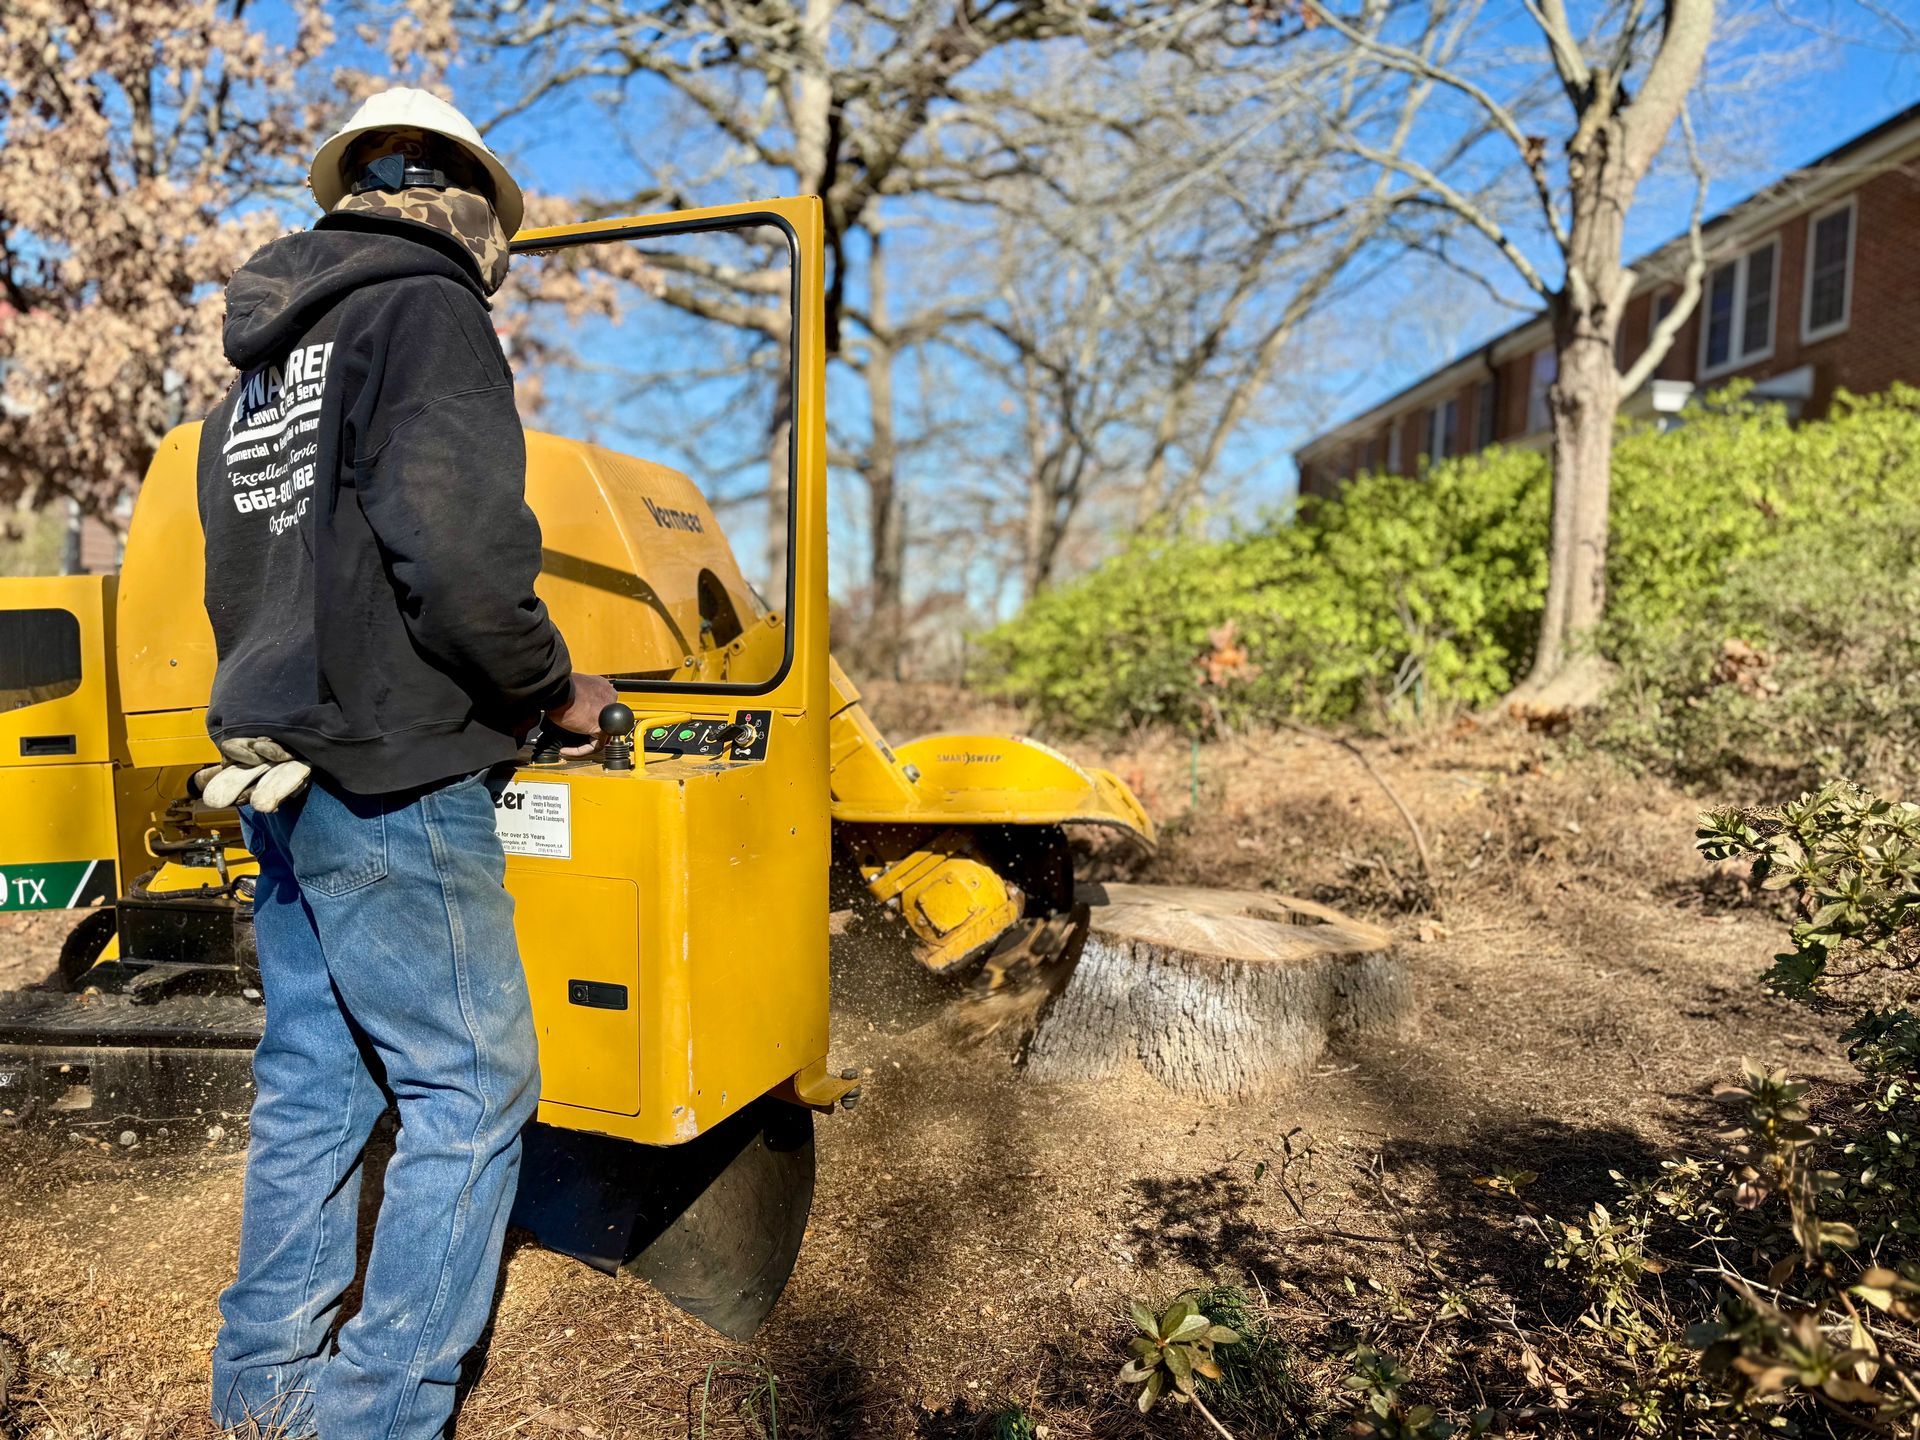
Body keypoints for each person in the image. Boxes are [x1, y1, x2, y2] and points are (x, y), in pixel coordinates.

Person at [196, 87, 617, 1438]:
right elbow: (461, 557)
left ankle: (261, 1395)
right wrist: (552, 689)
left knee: (317, 1080)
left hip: (286, 758)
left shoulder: (268, 356)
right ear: (468, 202)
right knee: (472, 1086)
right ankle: (375, 1417)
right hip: (392, 767)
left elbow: (258, 568)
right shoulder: (427, 308)